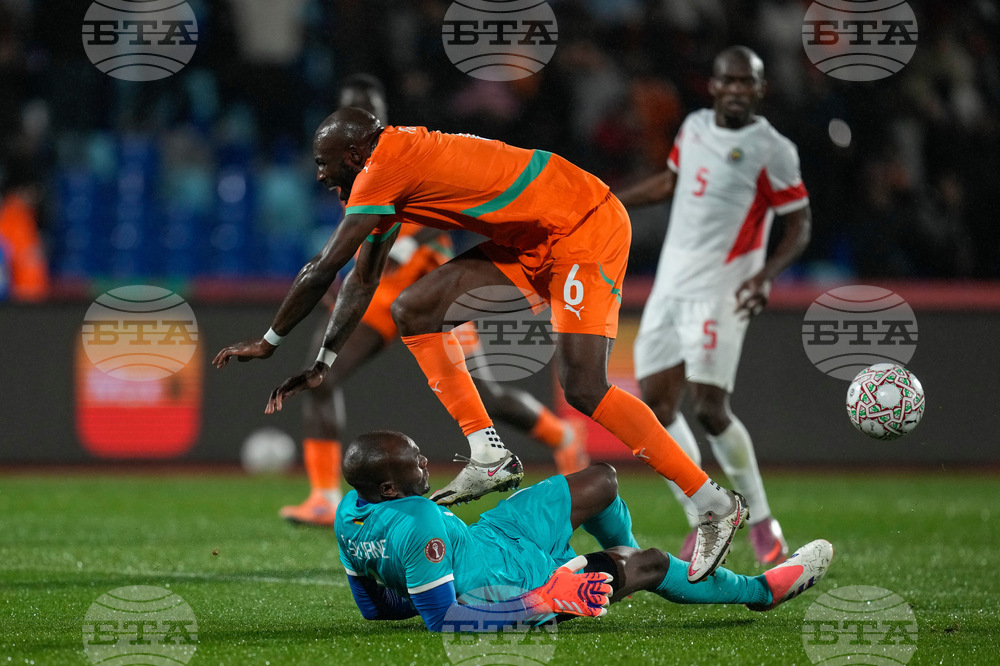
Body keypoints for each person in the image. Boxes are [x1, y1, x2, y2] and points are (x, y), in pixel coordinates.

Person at [214, 107, 749, 583]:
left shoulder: (382, 170)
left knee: (585, 387)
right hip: (533, 236)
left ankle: (712, 502)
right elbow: (360, 279)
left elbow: (322, 267)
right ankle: (488, 452)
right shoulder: (382, 180)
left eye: (325, 161)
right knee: (414, 309)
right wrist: (322, 360)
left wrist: (268, 341)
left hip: (582, 223)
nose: (319, 173)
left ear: (356, 154)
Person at [283, 74, 589, 527]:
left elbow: (444, 211)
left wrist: (409, 246)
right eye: (351, 104)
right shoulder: (347, 160)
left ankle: (561, 434)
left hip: (427, 286)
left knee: (490, 396)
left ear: (380, 110)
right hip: (378, 290)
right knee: (321, 374)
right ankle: (324, 496)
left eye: (369, 104)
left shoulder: (405, 149)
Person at [616, 46, 812, 566]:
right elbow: (673, 184)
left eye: (746, 82)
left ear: (760, 88)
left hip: (725, 290)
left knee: (708, 406)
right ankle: (704, 515)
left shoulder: (774, 149)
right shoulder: (695, 127)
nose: (736, 90)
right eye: (728, 81)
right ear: (714, 85)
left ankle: (764, 520)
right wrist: (616, 200)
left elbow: (800, 223)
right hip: (670, 286)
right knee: (656, 407)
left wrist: (767, 275)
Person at [334, 430, 833, 632]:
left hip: (493, 535)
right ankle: (761, 592)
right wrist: (543, 601)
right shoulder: (418, 522)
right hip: (517, 582)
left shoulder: (346, 517)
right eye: (414, 464)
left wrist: (420, 588)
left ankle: (624, 556)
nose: (425, 463)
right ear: (388, 488)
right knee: (656, 564)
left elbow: (372, 606)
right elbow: (445, 621)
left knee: (601, 482)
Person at [0, 161, 49, 302]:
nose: (35, 197)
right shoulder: (9, 216)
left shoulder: (26, 216)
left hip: (36, 292)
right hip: (17, 296)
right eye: (31, 191)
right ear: (21, 190)